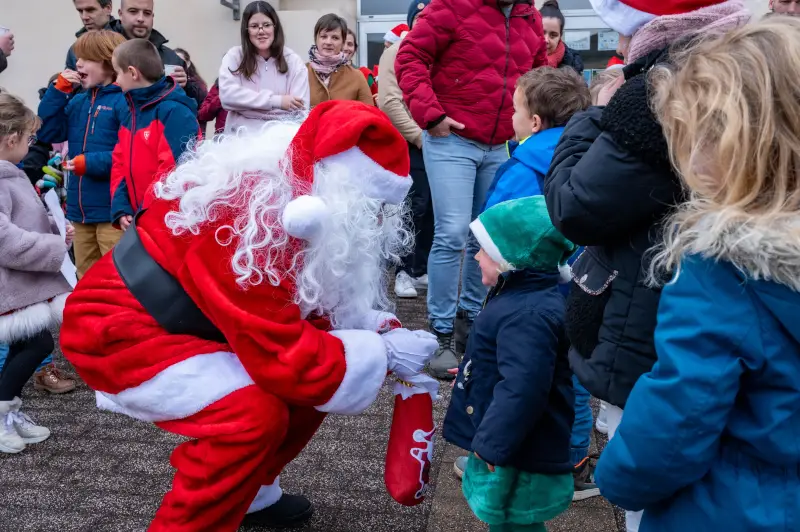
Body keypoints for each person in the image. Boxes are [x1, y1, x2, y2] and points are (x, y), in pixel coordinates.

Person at [60, 100, 439, 531]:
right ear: (341, 193)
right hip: (121, 332)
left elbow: (299, 307)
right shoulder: (256, 222)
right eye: (368, 207)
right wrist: (383, 354)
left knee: (307, 388)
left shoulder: (292, 201)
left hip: (197, 323)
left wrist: (374, 328)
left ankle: (252, 493)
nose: (372, 221)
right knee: (250, 417)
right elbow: (281, 353)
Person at [544, 0, 750, 529]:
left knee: (651, 487)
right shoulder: (751, 69)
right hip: (710, 323)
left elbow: (575, 205)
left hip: (648, 328)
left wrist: (598, 113)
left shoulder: (655, 92)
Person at [596, 18, 800, 530]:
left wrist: (618, 477)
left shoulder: (722, 270)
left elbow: (677, 418)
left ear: (731, 145)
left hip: (728, 509)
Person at [396, 0, 548, 378]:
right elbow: (410, 55)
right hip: (451, 140)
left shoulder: (530, 17)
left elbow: (541, 76)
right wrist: (430, 115)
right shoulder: (451, 5)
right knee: (451, 233)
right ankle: (442, 332)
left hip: (500, 145)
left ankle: (471, 322)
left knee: (487, 236)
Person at [444, 195, 577, 532]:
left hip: (518, 449)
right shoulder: (517, 295)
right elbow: (513, 366)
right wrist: (479, 369)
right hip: (514, 442)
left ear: (513, 259)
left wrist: (491, 446)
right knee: (510, 518)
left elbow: (524, 388)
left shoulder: (528, 314)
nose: (475, 255)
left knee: (514, 520)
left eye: (485, 250)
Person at [0, 90, 73, 454]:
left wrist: (56, 230)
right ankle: (2, 412)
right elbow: (4, 238)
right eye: (30, 138)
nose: (32, 145)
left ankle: (8, 411)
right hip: (8, 285)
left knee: (31, 343)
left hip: (18, 284)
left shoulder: (8, 173)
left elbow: (22, 220)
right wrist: (54, 248)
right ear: (11, 139)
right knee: (37, 343)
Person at [38, 30, 128, 280]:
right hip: (79, 211)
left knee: (116, 277)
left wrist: (87, 163)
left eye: (87, 58)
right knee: (86, 278)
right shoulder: (78, 102)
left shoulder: (124, 102)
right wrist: (57, 91)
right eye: (77, 58)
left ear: (109, 62)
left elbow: (127, 155)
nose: (78, 64)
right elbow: (48, 129)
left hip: (112, 212)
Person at [110, 39, 200, 228]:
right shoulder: (131, 112)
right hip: (140, 221)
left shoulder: (174, 112)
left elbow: (171, 174)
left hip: (166, 223)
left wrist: (144, 216)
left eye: (117, 73)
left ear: (133, 73)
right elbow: (119, 163)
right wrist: (122, 208)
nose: (116, 81)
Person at [378, 0, 434, 300]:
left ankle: (420, 268)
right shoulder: (394, 53)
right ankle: (402, 269)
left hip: (439, 141)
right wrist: (419, 136)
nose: (425, 21)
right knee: (413, 207)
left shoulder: (440, 52)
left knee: (435, 209)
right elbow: (389, 102)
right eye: (420, 16)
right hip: (410, 142)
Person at [218, 1, 308, 133]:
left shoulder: (294, 61)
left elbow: (299, 110)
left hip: (279, 140)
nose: (261, 31)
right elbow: (228, 97)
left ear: (275, 27)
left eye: (266, 25)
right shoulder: (234, 56)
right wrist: (277, 102)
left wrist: (245, 107)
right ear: (246, 30)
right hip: (239, 141)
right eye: (254, 26)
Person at [108, 0, 205, 109]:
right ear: (120, 14)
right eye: (133, 11)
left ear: (152, 16)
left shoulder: (172, 59)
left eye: (147, 13)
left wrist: (186, 86)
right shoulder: (102, 50)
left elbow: (199, 106)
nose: (141, 18)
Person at [307, 14, 373, 107]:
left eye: (335, 38)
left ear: (342, 42)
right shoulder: (301, 72)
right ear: (316, 39)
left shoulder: (357, 77)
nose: (328, 42)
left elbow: (369, 113)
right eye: (323, 36)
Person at [66, 0, 115, 70]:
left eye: (90, 10)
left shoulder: (127, 37)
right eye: (80, 11)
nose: (84, 17)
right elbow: (69, 77)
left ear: (108, 8)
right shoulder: (75, 49)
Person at [539, 1, 584, 74]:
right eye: (541, 33)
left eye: (553, 35)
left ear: (560, 36)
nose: (546, 40)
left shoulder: (573, 63)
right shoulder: (520, 60)